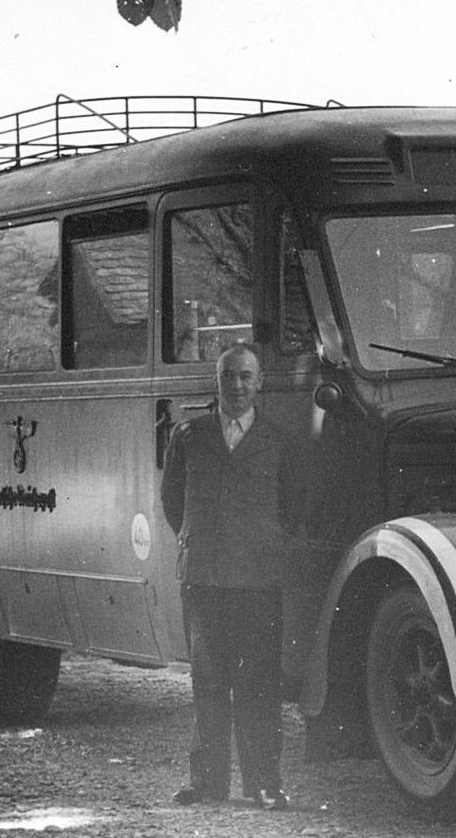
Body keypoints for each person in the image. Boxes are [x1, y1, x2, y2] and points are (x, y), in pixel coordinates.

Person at [160, 343, 297, 811]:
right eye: (228, 376)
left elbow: (293, 507)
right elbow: (172, 501)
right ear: (216, 382)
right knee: (208, 678)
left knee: (259, 681)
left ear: (260, 383)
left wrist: (263, 545)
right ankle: (206, 782)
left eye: (245, 377)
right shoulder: (190, 435)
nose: (236, 386)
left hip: (258, 581)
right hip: (204, 577)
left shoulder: (279, 440)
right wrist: (198, 541)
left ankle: (264, 784)